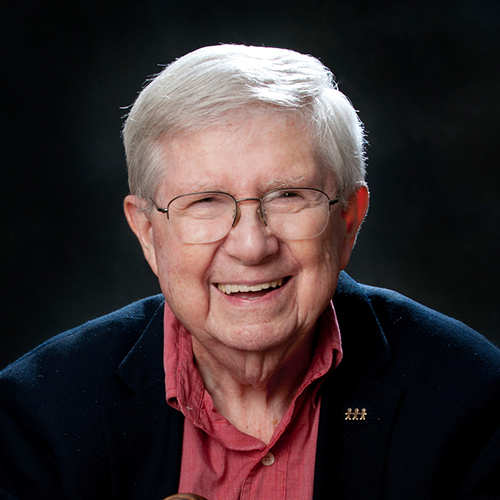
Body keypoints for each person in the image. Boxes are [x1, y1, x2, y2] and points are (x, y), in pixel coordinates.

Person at [0, 44, 499, 500]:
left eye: (288, 196)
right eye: (206, 202)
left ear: (349, 219)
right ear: (148, 232)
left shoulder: (474, 401)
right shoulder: (39, 415)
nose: (252, 245)